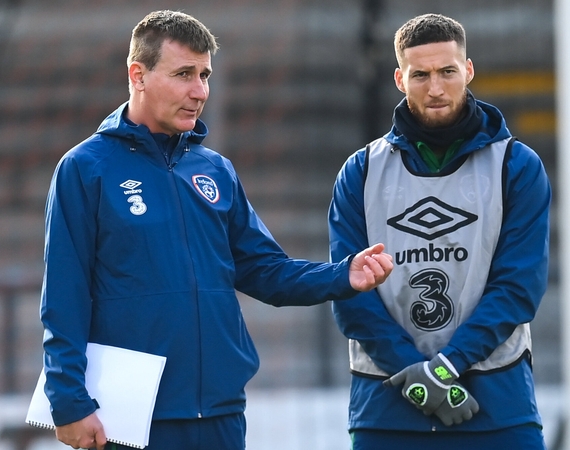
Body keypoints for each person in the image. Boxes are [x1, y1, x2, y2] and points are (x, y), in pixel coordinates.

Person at [39, 10, 394, 450]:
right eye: (184, 74)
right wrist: (69, 399)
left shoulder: (215, 170)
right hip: (130, 417)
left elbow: (264, 270)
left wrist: (342, 275)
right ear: (139, 75)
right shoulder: (85, 168)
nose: (200, 91)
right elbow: (63, 294)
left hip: (221, 413)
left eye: (205, 74)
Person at [329, 13, 551, 449]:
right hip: (387, 411)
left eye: (447, 71)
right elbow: (350, 291)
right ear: (399, 78)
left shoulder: (517, 166)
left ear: (467, 70)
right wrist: (413, 375)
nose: (435, 88)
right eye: (420, 75)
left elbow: (518, 286)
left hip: (497, 406)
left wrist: (442, 368)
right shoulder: (360, 171)